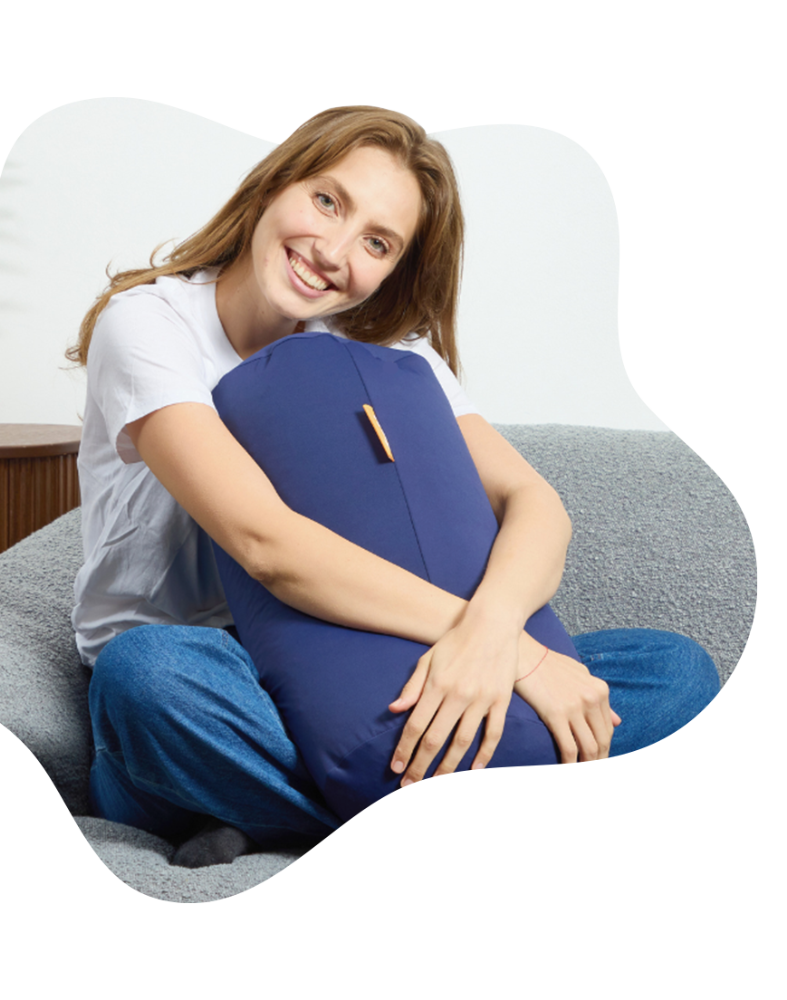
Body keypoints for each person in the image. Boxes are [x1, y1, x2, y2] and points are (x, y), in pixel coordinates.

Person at [68, 107, 720, 868]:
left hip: (362, 650)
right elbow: (265, 544)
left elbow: (536, 505)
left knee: (674, 671)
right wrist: (518, 658)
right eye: (327, 201)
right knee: (145, 678)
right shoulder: (148, 325)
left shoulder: (382, 352)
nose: (333, 251)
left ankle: (272, 814)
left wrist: (491, 635)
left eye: (377, 243)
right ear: (275, 184)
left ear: (395, 271)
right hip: (217, 673)